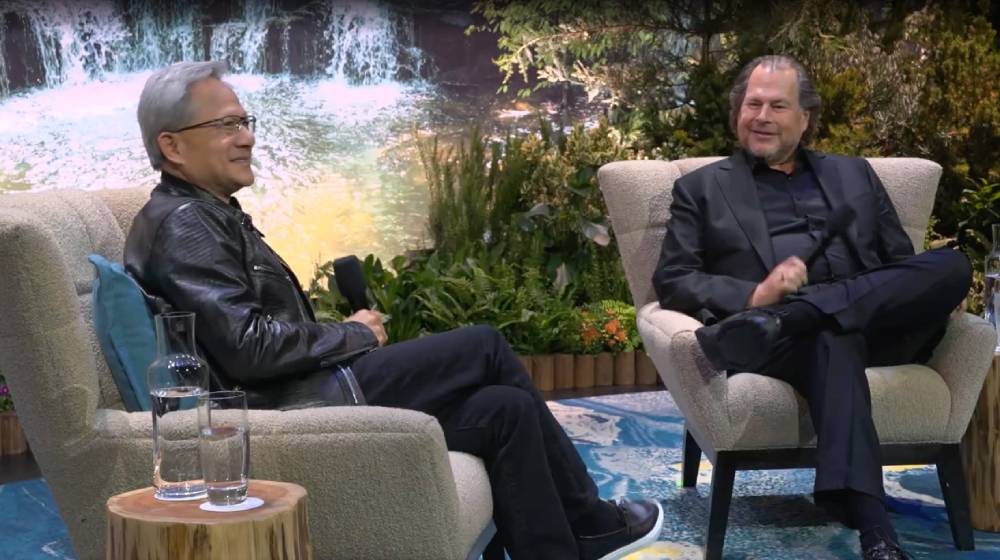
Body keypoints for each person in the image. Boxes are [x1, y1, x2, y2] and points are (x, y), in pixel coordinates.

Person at [124, 61, 663, 560]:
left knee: (505, 408)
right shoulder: (186, 223)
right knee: (483, 346)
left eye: (245, 121)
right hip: (287, 408)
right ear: (172, 145)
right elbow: (250, 349)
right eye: (226, 125)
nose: (246, 137)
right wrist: (355, 334)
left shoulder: (207, 213)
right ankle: (590, 520)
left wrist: (342, 336)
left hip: (303, 390)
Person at [653, 54, 971, 560]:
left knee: (952, 265)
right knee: (831, 334)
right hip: (788, 344)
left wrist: (830, 302)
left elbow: (900, 264)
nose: (761, 116)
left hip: (853, 327)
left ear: (805, 119)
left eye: (777, 106)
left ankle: (801, 312)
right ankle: (877, 533)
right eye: (752, 104)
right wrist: (756, 296)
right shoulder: (702, 189)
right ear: (738, 112)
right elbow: (674, 281)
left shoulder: (855, 174)